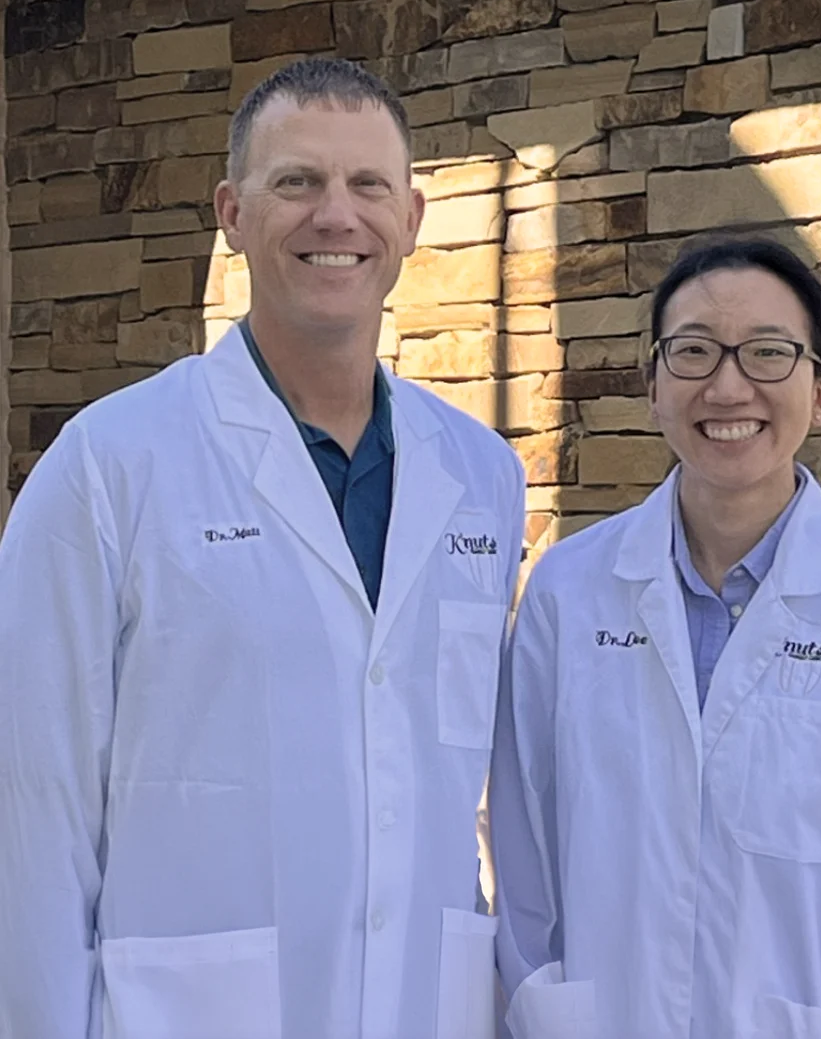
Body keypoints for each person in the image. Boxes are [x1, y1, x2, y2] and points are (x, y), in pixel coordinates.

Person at [0, 57, 524, 1039]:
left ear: (411, 219)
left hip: (424, 1005)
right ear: (232, 213)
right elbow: (31, 814)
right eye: (298, 182)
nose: (337, 216)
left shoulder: (481, 474)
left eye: (367, 185)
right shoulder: (110, 465)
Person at [488, 239, 821, 1039]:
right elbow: (525, 851)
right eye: (692, 351)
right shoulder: (567, 593)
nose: (726, 384)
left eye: (768, 353)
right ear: (651, 384)